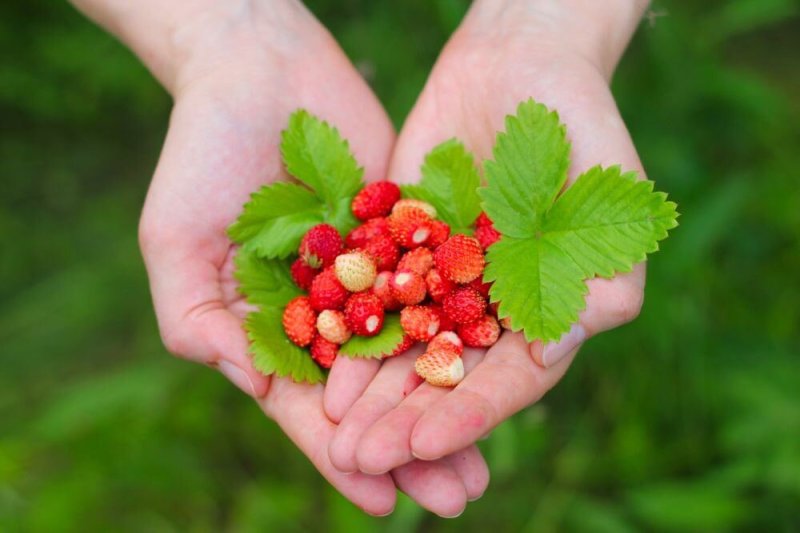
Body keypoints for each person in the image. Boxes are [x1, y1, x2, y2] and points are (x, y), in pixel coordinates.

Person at [71, 0, 650, 518]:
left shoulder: (430, 268)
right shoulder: (374, 271)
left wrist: (541, 22)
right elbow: (366, 289)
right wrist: (226, 28)